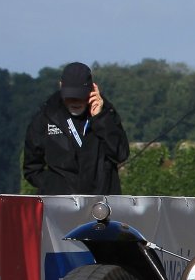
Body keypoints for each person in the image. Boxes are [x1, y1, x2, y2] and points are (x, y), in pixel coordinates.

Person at [23, 62, 130, 195]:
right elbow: (31, 168)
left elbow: (121, 154)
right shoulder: (47, 115)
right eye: (70, 96)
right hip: (60, 202)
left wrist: (100, 118)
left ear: (92, 89)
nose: (75, 102)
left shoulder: (106, 113)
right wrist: (53, 187)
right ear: (61, 86)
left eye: (80, 96)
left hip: (100, 202)